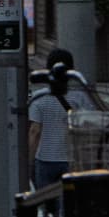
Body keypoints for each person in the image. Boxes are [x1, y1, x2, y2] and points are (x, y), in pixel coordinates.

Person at [29, 60, 76, 189]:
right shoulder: (79, 97)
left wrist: (28, 161)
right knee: (68, 202)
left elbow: (35, 131)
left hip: (44, 160)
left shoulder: (39, 97)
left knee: (43, 199)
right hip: (70, 159)